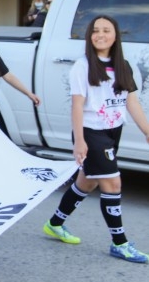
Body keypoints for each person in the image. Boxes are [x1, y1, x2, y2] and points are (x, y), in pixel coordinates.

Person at [42, 15, 149, 263]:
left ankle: (55, 223)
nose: (100, 35)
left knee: (87, 182)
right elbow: (77, 106)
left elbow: (132, 102)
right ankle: (119, 243)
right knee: (112, 184)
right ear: (89, 36)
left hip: (113, 131)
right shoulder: (83, 66)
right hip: (91, 132)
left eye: (106, 30)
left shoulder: (123, 65)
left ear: (115, 35)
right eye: (95, 30)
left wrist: (146, 130)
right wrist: (79, 141)